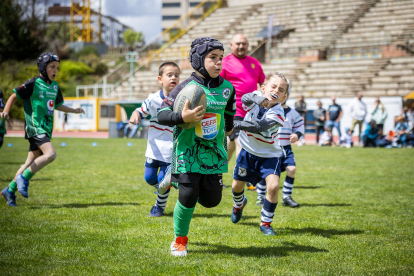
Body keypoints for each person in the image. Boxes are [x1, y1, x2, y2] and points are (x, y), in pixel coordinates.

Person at [156, 37, 236, 257]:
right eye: (213, 58)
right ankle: (180, 240)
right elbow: (162, 115)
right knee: (189, 195)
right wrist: (182, 116)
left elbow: (229, 115)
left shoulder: (228, 89)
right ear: (198, 59)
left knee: (212, 201)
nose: (218, 62)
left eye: (221, 58)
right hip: (187, 152)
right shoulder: (184, 88)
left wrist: (230, 131)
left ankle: (175, 179)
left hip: (214, 153)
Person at [0, 52, 85, 207]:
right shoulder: (33, 83)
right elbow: (14, 95)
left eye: (57, 68)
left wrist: (74, 110)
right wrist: (6, 111)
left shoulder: (55, 86)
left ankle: (9, 190)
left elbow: (58, 105)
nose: (55, 70)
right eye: (52, 67)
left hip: (45, 129)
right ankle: (23, 179)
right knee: (51, 154)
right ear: (43, 67)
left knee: (29, 163)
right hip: (35, 127)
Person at [231, 73, 288, 236]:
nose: (276, 90)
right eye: (273, 86)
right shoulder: (257, 96)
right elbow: (245, 99)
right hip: (248, 151)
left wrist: (234, 124)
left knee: (274, 186)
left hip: (270, 156)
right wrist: (258, 99)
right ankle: (238, 204)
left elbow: (258, 126)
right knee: (236, 186)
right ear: (263, 88)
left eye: (281, 90)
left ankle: (266, 223)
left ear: (283, 98)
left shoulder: (278, 114)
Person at [129, 62, 180, 217]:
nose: (174, 78)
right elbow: (140, 109)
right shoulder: (153, 99)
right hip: (153, 148)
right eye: (169, 75)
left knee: (162, 181)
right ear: (160, 79)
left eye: (177, 75)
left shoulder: (182, 100)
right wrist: (136, 113)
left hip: (171, 150)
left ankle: (158, 207)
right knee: (149, 178)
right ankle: (171, 183)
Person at [256, 80, 304, 208]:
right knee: (265, 174)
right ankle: (260, 196)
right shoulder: (266, 110)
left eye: (283, 93)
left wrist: (297, 134)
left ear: (285, 96)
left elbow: (300, 126)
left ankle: (287, 197)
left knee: (291, 169)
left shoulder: (292, 113)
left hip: (285, 148)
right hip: (270, 147)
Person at [220, 34, 266, 163]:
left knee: (231, 145)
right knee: (238, 141)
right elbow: (217, 86)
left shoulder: (255, 63)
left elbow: (263, 84)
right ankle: (241, 178)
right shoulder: (225, 63)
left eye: (244, 44)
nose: (241, 46)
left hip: (252, 112)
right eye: (238, 44)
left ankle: (218, 173)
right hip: (233, 111)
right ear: (231, 45)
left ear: (248, 45)